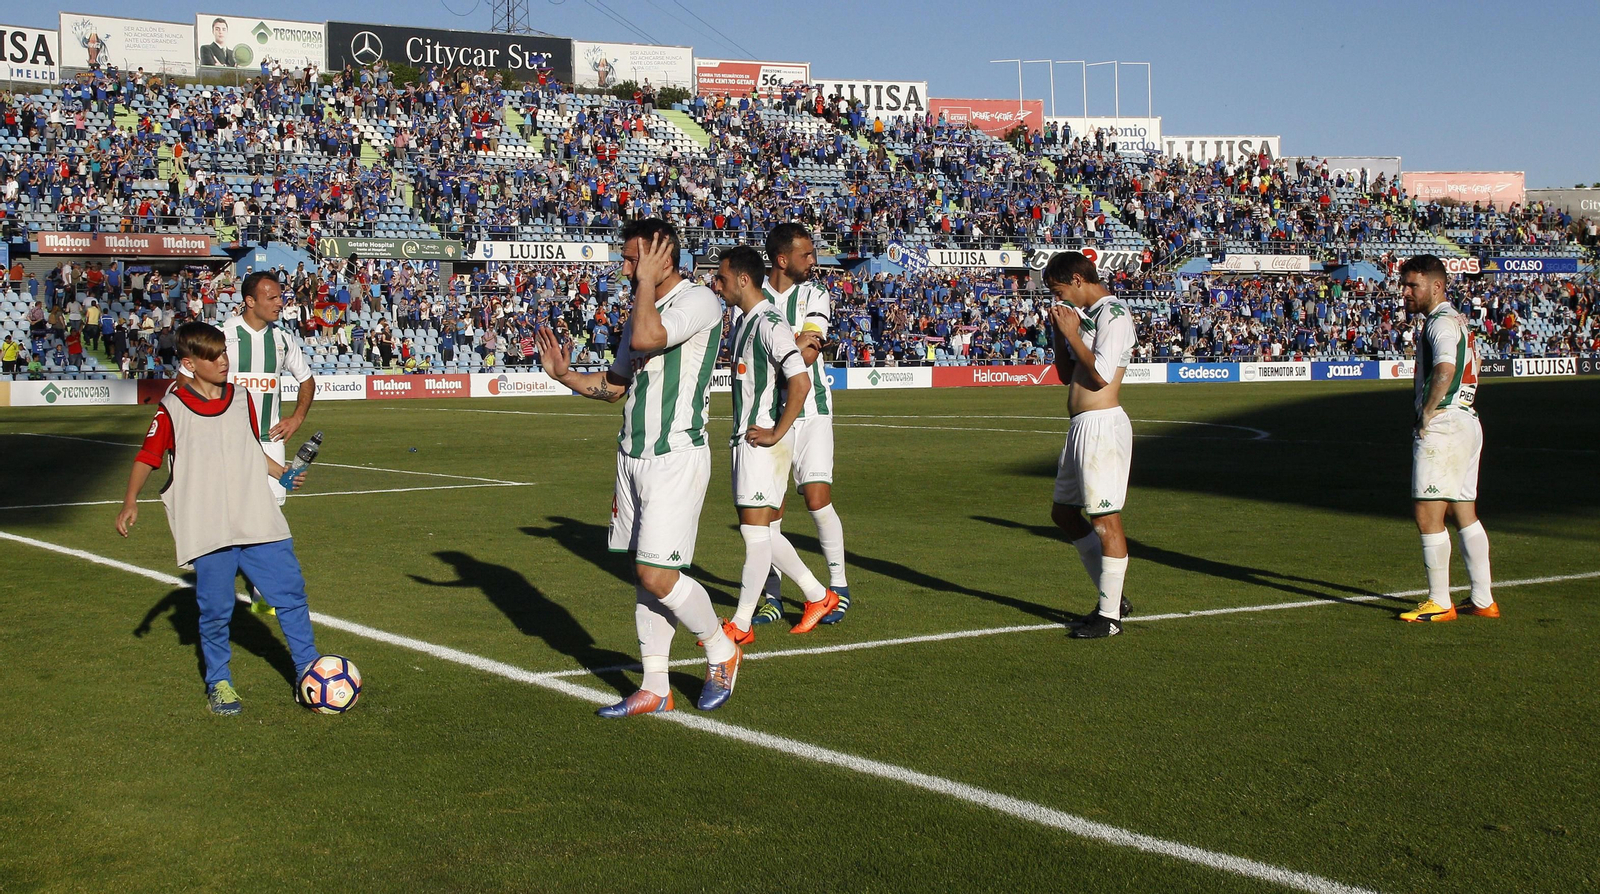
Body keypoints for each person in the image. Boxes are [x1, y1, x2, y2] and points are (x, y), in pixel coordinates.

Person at [532, 218, 740, 718]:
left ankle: (721, 648)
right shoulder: (641, 307)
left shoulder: (699, 301)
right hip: (633, 453)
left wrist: (644, 282)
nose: (624, 268)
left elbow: (649, 338)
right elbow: (618, 385)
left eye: (632, 259)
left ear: (663, 258)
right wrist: (565, 377)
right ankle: (655, 686)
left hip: (675, 455)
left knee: (657, 572)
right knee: (641, 571)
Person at [115, 322, 321, 716]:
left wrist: (281, 474)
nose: (224, 361)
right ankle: (220, 682)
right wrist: (130, 501)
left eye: (225, 353)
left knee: (291, 594)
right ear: (191, 363)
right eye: (214, 356)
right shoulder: (172, 407)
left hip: (256, 515)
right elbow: (147, 457)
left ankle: (306, 670)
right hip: (208, 524)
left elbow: (247, 448)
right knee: (216, 608)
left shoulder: (242, 397)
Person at [716, 245, 840, 645]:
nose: (717, 285)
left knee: (755, 535)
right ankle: (819, 595)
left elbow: (800, 381)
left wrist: (774, 433)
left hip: (762, 441)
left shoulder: (770, 323)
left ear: (742, 279)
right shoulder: (746, 321)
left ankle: (741, 622)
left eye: (721, 278)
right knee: (763, 533)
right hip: (747, 438)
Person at [752, 223, 852, 626]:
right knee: (768, 512)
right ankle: (770, 596)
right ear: (782, 260)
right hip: (767, 415)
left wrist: (790, 348)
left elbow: (809, 351)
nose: (814, 261)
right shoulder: (754, 298)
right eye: (806, 255)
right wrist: (792, 345)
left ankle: (838, 587)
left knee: (816, 497)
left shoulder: (815, 294)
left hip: (812, 411)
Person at [1396, 254, 1495, 622]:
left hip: (1445, 424)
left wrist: (1428, 411)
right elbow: (1475, 366)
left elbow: (1445, 368)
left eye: (1412, 285)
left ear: (1436, 286)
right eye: (1404, 284)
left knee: (1428, 513)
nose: (1405, 292)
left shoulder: (1439, 323)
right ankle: (1483, 599)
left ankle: (1439, 601)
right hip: (1467, 420)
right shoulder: (1459, 321)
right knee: (1463, 510)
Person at [1045, 251, 1136, 639]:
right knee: (1063, 514)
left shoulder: (1113, 315)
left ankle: (1110, 616)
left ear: (1079, 280)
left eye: (1060, 289)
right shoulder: (1084, 318)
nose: (1058, 298)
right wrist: (1057, 332)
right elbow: (1068, 373)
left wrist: (1070, 332)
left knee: (1105, 519)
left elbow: (1100, 375)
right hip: (1080, 426)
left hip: (1102, 425)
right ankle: (1113, 598)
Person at [220, 272, 316, 615]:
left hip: (269, 439)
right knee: (228, 515)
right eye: (273, 298)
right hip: (227, 442)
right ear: (250, 301)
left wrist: (296, 419)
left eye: (280, 297)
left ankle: (263, 590)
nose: (280, 303)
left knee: (271, 514)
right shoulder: (223, 337)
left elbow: (306, 380)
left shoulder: (284, 340)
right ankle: (219, 582)